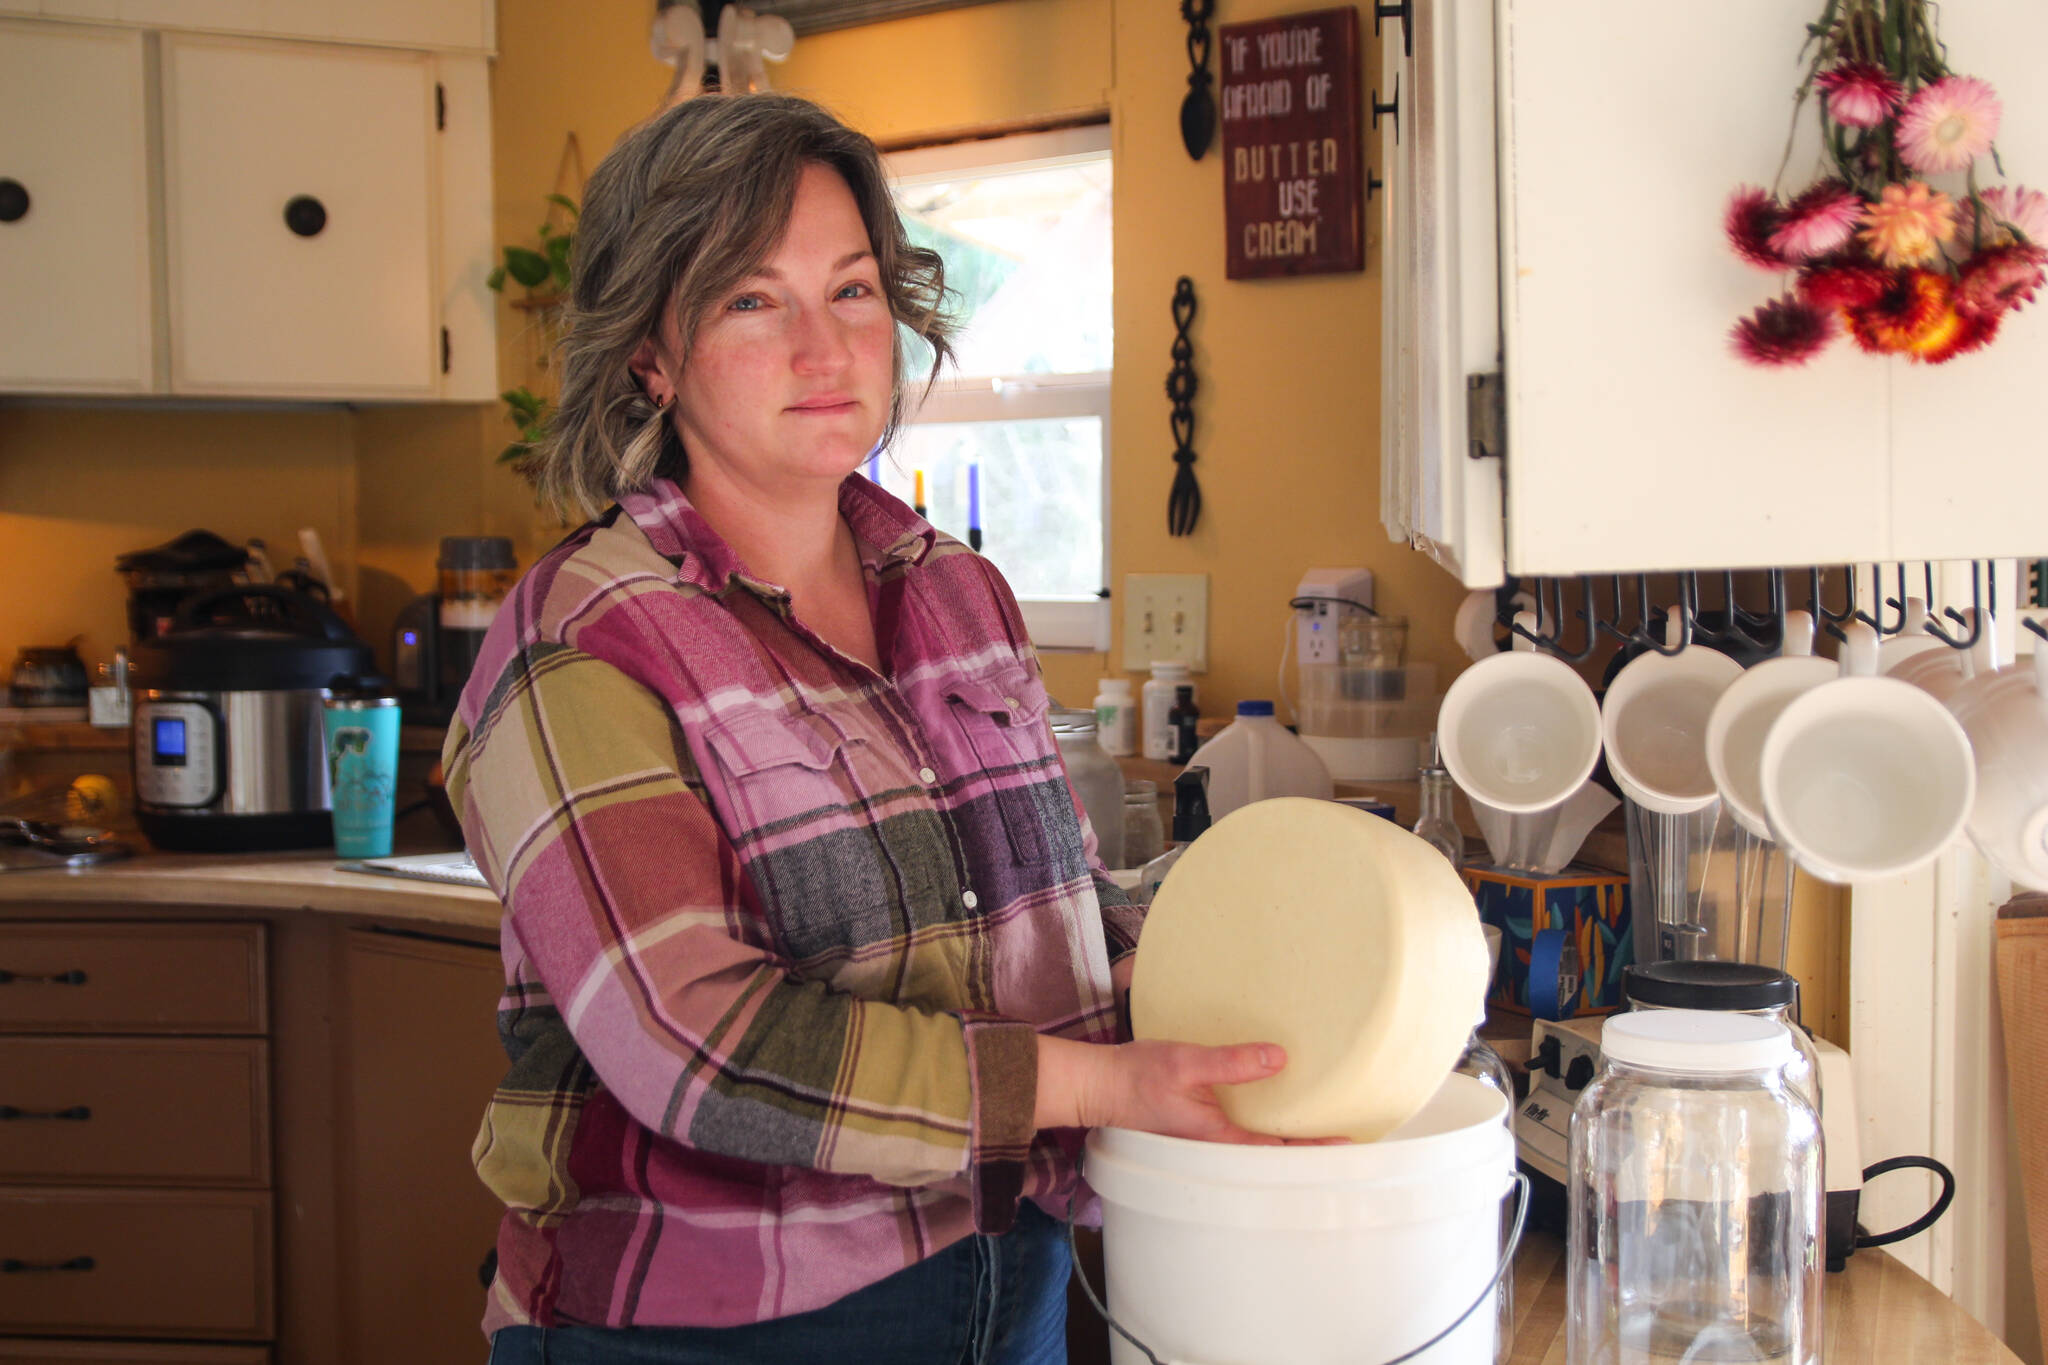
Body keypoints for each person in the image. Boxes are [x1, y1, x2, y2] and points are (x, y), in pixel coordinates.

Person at [444, 92, 1294, 1365]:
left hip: (1009, 1285)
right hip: (716, 1330)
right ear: (649, 356)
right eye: (748, 300)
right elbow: (703, 1048)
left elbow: (1031, 920)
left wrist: (1269, 927)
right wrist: (1095, 1087)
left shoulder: (953, 589)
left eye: (850, 291)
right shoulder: (580, 642)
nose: (822, 347)